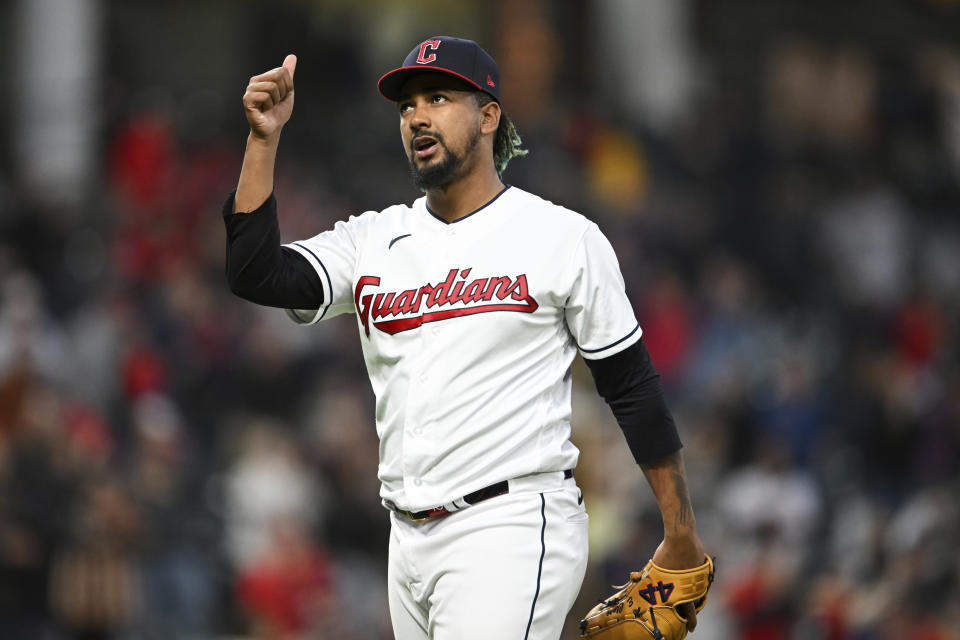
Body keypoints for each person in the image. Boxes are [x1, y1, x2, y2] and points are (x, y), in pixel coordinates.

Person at [223, 36, 706, 640]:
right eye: (407, 106)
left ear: (487, 116)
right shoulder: (375, 239)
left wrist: (680, 531)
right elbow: (256, 273)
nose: (417, 115)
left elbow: (631, 386)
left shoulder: (561, 237)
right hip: (406, 541)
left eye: (438, 97)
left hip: (509, 524)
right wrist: (263, 140)